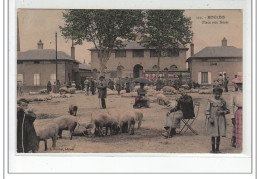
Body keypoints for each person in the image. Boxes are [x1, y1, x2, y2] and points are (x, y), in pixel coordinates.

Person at [205, 87, 230, 153]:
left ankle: (217, 149)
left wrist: (222, 112)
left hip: (220, 119)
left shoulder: (223, 101)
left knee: (218, 133)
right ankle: (213, 149)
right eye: (216, 94)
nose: (217, 95)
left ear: (221, 94)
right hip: (213, 119)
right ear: (213, 93)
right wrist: (209, 117)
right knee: (213, 134)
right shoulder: (210, 101)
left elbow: (228, 110)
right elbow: (207, 110)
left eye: (219, 94)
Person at [230, 76, 243, 148]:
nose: (241, 86)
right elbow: (231, 106)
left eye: (242, 84)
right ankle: (238, 143)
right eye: (239, 84)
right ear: (236, 85)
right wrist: (232, 117)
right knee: (239, 128)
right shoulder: (234, 94)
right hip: (239, 113)